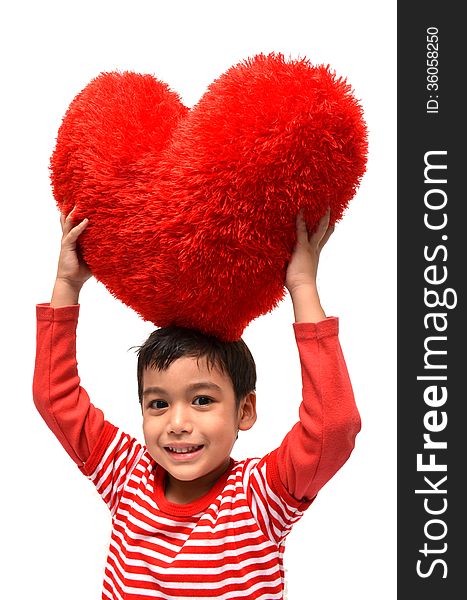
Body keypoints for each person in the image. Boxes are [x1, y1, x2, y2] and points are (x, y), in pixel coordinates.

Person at [33, 206, 361, 600]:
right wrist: (67, 283)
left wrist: (303, 286)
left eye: (202, 399)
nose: (177, 422)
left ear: (245, 411)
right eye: (157, 404)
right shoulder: (127, 477)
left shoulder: (259, 496)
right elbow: (55, 397)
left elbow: (333, 425)